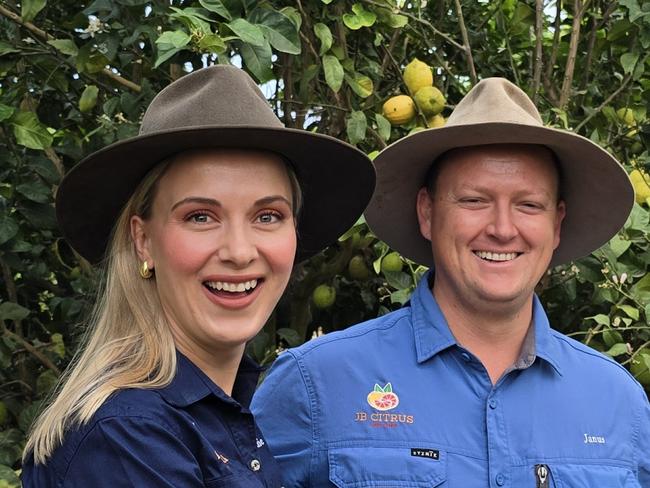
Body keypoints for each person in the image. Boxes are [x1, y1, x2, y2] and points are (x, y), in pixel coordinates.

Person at [252, 78, 650, 487]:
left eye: (528, 205)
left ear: (556, 224)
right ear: (427, 213)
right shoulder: (316, 385)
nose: (502, 229)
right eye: (474, 200)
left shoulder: (621, 404)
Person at [21, 65, 375, 487]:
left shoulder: (222, 410)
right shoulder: (129, 437)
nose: (240, 252)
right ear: (144, 239)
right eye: (201, 216)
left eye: (268, 215)